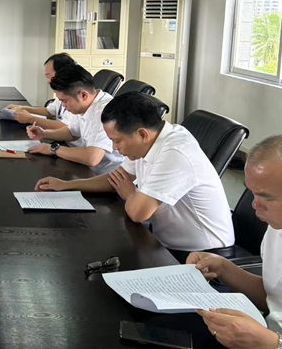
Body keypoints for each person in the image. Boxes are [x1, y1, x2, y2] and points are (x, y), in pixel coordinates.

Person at [37, 92, 234, 261]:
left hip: (204, 256)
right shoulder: (149, 142)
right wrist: (68, 185)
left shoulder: (175, 152)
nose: (114, 148)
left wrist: (129, 193)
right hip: (165, 242)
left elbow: (138, 213)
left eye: (118, 141)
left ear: (142, 134)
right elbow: (115, 179)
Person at [187, 135, 282, 349]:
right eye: (253, 193)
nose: (255, 205)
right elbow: (274, 296)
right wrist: (224, 269)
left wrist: (272, 343)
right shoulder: (276, 228)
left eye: (267, 197)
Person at [26, 64, 123, 174]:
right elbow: (72, 132)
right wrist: (44, 133)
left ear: (83, 95)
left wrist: (53, 149)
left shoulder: (104, 112)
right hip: (89, 170)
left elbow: (92, 158)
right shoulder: (85, 104)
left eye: (65, 101)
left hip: (108, 177)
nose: (63, 106)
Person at [5, 52, 77, 131]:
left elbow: (68, 128)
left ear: (63, 73)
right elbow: (49, 112)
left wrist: (31, 119)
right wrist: (22, 108)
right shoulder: (62, 91)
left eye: (49, 76)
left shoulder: (76, 95)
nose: (48, 82)